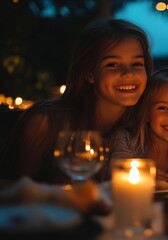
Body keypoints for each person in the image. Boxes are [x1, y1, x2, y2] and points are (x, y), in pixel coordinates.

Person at [0, 19, 152, 184]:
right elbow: (15, 193)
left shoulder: (144, 129)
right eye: (113, 64)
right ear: (89, 73)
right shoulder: (45, 123)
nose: (128, 73)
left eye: (137, 63)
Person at [111, 67, 168, 187]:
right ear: (146, 113)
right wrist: (144, 175)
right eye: (163, 108)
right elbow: (116, 173)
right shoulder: (126, 140)